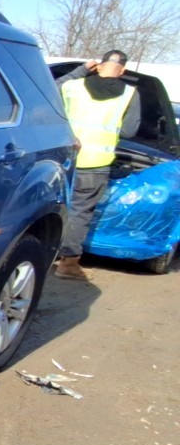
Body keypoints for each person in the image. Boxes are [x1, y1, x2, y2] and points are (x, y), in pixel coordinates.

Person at [53, 50, 141, 280]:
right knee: (80, 213)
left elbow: (47, 90)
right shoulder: (130, 94)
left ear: (99, 66)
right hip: (95, 164)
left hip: (63, 160)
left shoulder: (73, 86)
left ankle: (43, 254)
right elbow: (130, 131)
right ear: (122, 70)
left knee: (52, 205)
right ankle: (68, 264)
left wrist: (81, 70)